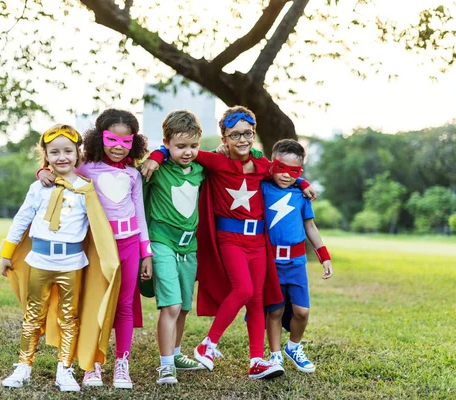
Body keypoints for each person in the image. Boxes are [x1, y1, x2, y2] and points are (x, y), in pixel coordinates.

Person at [142, 106, 314, 379]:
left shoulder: (261, 166)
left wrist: (302, 182)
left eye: (248, 133)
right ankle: (208, 344)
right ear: (224, 138)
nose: (242, 140)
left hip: (257, 241)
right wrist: (155, 154)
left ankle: (256, 360)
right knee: (243, 288)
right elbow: (180, 149)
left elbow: (285, 173)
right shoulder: (215, 161)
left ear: (254, 134)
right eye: (235, 135)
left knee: (256, 299)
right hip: (229, 239)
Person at [0, 124, 120, 392]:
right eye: (54, 152)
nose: (62, 157)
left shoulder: (86, 188)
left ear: (78, 154)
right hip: (40, 261)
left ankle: (64, 369)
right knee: (33, 316)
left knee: (69, 317)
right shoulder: (38, 187)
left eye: (68, 151)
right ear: (46, 156)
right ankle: (23, 366)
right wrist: (7, 252)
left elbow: (98, 225)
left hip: (71, 263)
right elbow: (22, 219)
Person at [38, 109, 153, 389]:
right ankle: (93, 364)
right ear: (98, 138)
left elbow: (139, 213)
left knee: (124, 305)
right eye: (112, 140)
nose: (118, 147)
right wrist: (43, 171)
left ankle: (122, 364)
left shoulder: (133, 175)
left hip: (129, 245)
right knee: (95, 305)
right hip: (98, 246)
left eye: (126, 142)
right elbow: (60, 168)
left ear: (134, 143)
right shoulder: (85, 168)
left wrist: (146, 252)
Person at [142, 110, 207, 385]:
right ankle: (165, 365)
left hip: (188, 246)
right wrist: (157, 156)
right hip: (161, 242)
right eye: (181, 146)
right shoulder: (156, 169)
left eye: (193, 146)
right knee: (171, 305)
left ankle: (177, 355)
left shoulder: (202, 171)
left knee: (183, 308)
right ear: (166, 142)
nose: (188, 152)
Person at [262, 139, 333, 374]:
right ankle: (274, 356)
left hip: (297, 263)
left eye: (294, 171)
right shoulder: (261, 188)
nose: (286, 175)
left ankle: (293, 347)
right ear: (273, 164)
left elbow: (310, 227)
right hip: (271, 262)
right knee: (275, 310)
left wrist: (324, 256)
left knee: (302, 311)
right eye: (281, 167)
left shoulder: (301, 196)